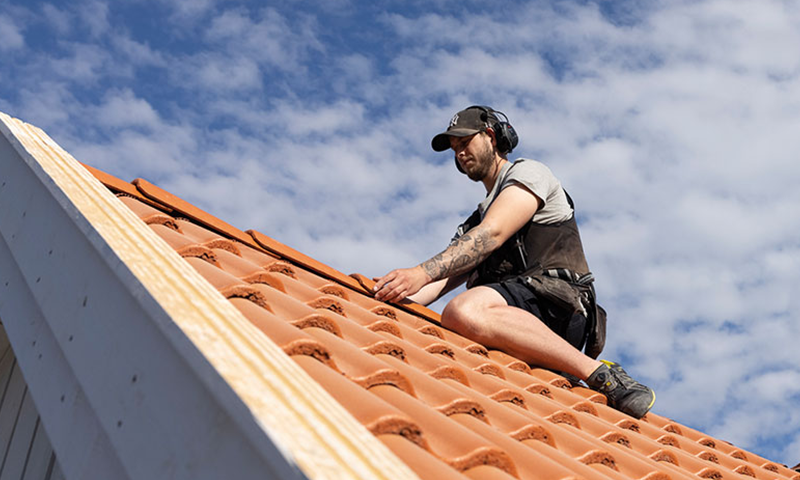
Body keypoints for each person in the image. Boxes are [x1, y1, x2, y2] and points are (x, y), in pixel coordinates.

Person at [373, 105, 655, 419]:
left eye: (465, 142)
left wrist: (418, 272)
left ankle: (601, 373)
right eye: (454, 149)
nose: (459, 153)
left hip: (559, 305)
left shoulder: (528, 174)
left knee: (464, 311)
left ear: (492, 137)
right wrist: (383, 298)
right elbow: (437, 281)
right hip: (512, 313)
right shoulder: (471, 226)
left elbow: (492, 234)